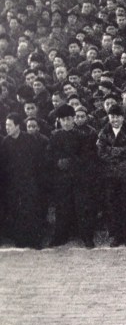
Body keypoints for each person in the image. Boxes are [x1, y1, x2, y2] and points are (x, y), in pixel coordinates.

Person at [46, 103, 96, 248]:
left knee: (82, 207)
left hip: (79, 178)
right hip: (62, 179)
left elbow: (87, 156)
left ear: (74, 119)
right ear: (59, 121)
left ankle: (87, 237)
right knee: (62, 208)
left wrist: (72, 161)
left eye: (69, 119)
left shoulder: (82, 136)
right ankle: (60, 236)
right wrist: (58, 162)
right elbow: (49, 155)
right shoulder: (54, 136)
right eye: (63, 120)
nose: (66, 122)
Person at [96, 103, 126, 248]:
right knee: (112, 205)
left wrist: (111, 151)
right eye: (112, 116)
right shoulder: (103, 132)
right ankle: (116, 235)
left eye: (118, 116)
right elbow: (101, 152)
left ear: (122, 117)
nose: (115, 119)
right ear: (108, 117)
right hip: (110, 175)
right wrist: (118, 152)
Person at [0, 112, 45, 249]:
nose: (7, 128)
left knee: (31, 209)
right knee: (16, 211)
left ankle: (35, 240)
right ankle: (21, 239)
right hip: (13, 183)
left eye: (9, 125)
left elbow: (38, 161)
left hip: (30, 180)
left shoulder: (29, 140)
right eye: (6, 125)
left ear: (18, 126)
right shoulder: (6, 142)